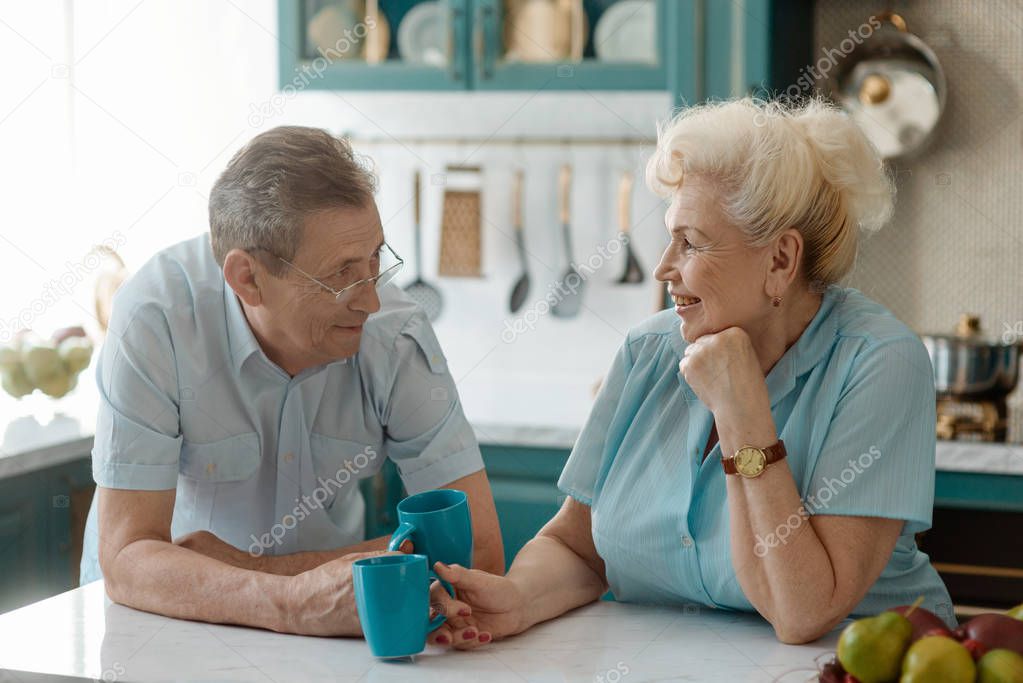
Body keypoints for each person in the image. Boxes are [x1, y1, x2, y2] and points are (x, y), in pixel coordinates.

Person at [428, 97, 953, 647]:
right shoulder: (648, 351)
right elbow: (577, 549)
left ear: (780, 260)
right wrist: (517, 600)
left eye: (691, 242)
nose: (663, 268)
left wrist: (741, 412)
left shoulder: (879, 362)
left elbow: (803, 613)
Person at [80, 126, 502, 639]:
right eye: (342, 275)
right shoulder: (156, 318)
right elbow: (127, 558)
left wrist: (257, 576)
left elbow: (476, 552)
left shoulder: (395, 332)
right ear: (248, 279)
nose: (370, 300)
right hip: (169, 628)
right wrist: (297, 599)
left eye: (375, 261)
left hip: (336, 628)